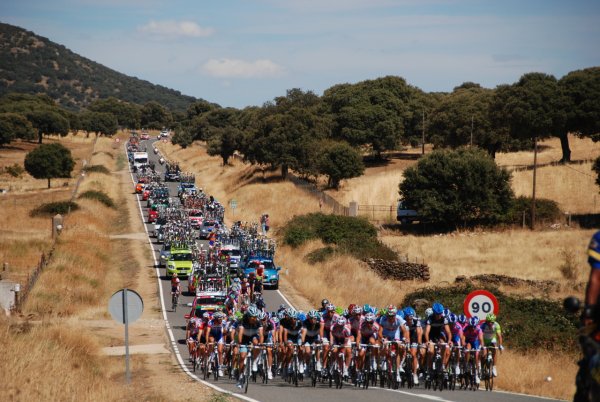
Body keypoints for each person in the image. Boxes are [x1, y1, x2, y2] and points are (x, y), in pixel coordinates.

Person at [480, 313, 503, 377]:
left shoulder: (496, 325)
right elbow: (480, 335)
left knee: (495, 349)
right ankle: (482, 369)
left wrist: (500, 345)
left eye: (492, 322)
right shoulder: (483, 325)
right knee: (484, 355)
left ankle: (494, 367)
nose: (490, 323)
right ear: (486, 321)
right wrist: (481, 345)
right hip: (484, 340)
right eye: (489, 322)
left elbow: (499, 336)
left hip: (492, 340)